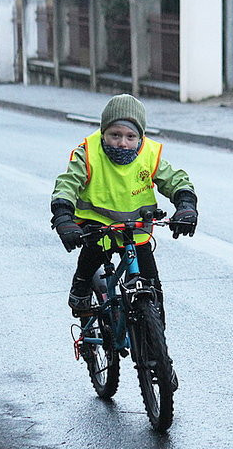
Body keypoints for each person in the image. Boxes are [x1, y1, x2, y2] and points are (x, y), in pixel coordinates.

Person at [50, 93, 198, 325]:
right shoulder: (88, 153)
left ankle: (154, 343)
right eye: (115, 135)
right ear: (103, 133)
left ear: (140, 137)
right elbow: (67, 185)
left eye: (131, 136)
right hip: (98, 230)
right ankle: (80, 286)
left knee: (153, 290)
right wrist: (63, 216)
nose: (122, 142)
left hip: (135, 232)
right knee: (89, 259)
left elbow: (174, 180)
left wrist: (186, 205)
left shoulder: (149, 153)